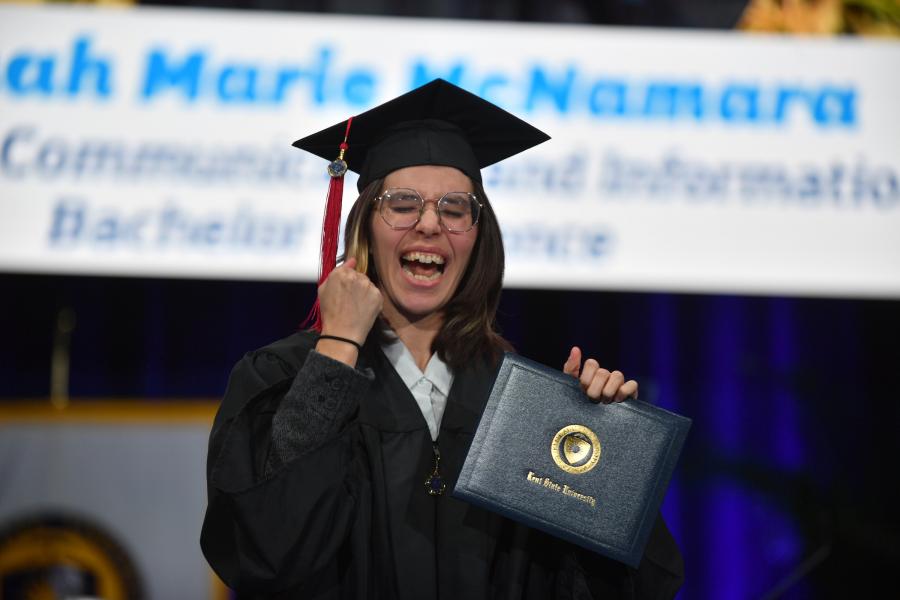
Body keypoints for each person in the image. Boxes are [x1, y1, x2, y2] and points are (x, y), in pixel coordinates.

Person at [200, 79, 684, 599]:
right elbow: (266, 558)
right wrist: (338, 348)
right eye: (402, 203)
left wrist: (592, 451)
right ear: (363, 226)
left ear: (480, 238)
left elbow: (629, 591)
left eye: (455, 208)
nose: (430, 224)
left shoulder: (517, 396)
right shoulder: (282, 375)